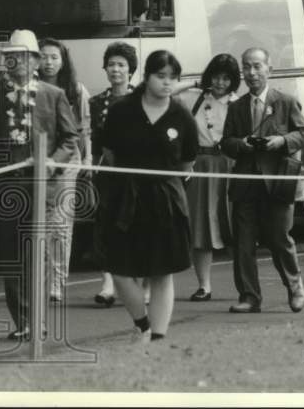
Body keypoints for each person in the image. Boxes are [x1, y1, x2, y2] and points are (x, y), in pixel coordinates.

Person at [0, 29, 79, 340]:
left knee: (37, 252)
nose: (16, 62)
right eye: (10, 57)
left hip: (41, 186)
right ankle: (22, 321)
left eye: (22, 57)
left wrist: (51, 161)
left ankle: (39, 320)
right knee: (12, 253)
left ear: (35, 61)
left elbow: (70, 138)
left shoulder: (53, 94)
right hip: (5, 185)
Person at [95, 50, 199, 343]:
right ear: (147, 77)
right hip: (125, 195)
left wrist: (168, 184)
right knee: (119, 268)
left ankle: (157, 337)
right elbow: (109, 154)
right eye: (160, 76)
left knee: (162, 271)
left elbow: (187, 162)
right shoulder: (122, 110)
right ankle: (142, 324)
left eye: (173, 78)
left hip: (165, 197)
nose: (167, 83)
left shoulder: (181, 116)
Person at [221, 47, 304, 314]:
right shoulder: (236, 107)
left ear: (269, 69)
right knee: (243, 243)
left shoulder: (284, 101)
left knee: (279, 238)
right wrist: (243, 144)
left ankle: (295, 287)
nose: (251, 72)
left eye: (257, 66)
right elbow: (226, 143)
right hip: (245, 183)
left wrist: (282, 141)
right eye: (247, 67)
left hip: (278, 181)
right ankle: (249, 296)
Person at [177, 54, 241, 302]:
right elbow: (165, 92)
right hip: (200, 166)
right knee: (200, 229)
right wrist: (194, 83)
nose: (221, 82)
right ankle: (204, 285)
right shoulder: (195, 99)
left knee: (237, 226)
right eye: (216, 76)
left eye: (227, 77)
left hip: (230, 165)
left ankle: (244, 286)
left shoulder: (239, 103)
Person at [37, 37, 90, 302]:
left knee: (60, 224)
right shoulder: (29, 87)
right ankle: (40, 279)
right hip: (37, 160)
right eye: (43, 56)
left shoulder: (75, 90)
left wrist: (88, 158)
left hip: (67, 161)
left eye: (54, 57)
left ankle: (57, 282)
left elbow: (83, 130)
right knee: (39, 223)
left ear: (63, 60)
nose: (48, 62)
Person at [87, 41, 138, 307]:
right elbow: (94, 142)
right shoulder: (96, 102)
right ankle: (108, 283)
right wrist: (92, 171)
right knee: (105, 226)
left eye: (121, 65)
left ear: (131, 70)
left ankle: (136, 282)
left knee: (133, 226)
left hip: (134, 173)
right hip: (106, 172)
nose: (115, 69)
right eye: (111, 64)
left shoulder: (141, 99)